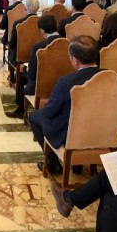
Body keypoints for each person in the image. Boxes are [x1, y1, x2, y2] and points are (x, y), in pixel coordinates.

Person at [29, 35, 101, 175]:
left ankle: (53, 163)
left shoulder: (65, 82)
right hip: (101, 130)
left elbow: (49, 112)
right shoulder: (113, 77)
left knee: (34, 116)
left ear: (74, 60)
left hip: (71, 133)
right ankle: (78, 166)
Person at [7, 14, 59, 119]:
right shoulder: (69, 43)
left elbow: (32, 74)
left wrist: (26, 68)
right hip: (60, 83)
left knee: (22, 74)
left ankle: (21, 109)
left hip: (42, 86)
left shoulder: (39, 47)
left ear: (42, 30)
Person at [8, 0, 40, 68]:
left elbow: (12, 44)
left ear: (25, 7)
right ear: (38, 7)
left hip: (20, 58)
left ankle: (13, 73)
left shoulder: (18, 23)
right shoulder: (43, 22)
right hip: (38, 57)